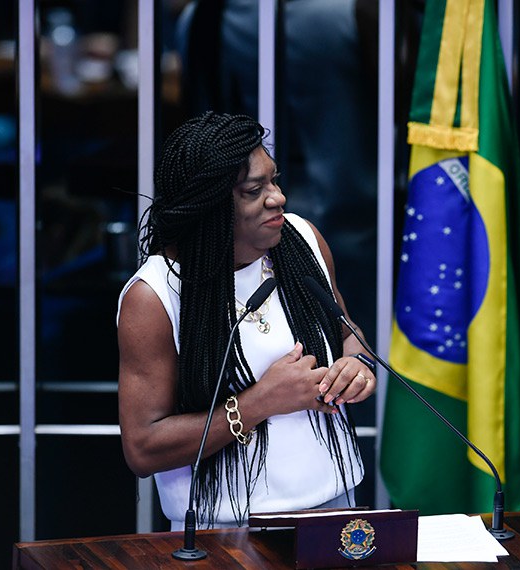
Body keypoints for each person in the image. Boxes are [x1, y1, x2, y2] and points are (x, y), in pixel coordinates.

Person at [116, 112, 376, 529]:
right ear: (210, 205)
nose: (277, 198)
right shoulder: (155, 295)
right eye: (254, 190)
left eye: (274, 180)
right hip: (224, 531)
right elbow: (143, 448)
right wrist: (259, 403)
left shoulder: (303, 240)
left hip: (335, 508)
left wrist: (356, 366)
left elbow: (347, 332)